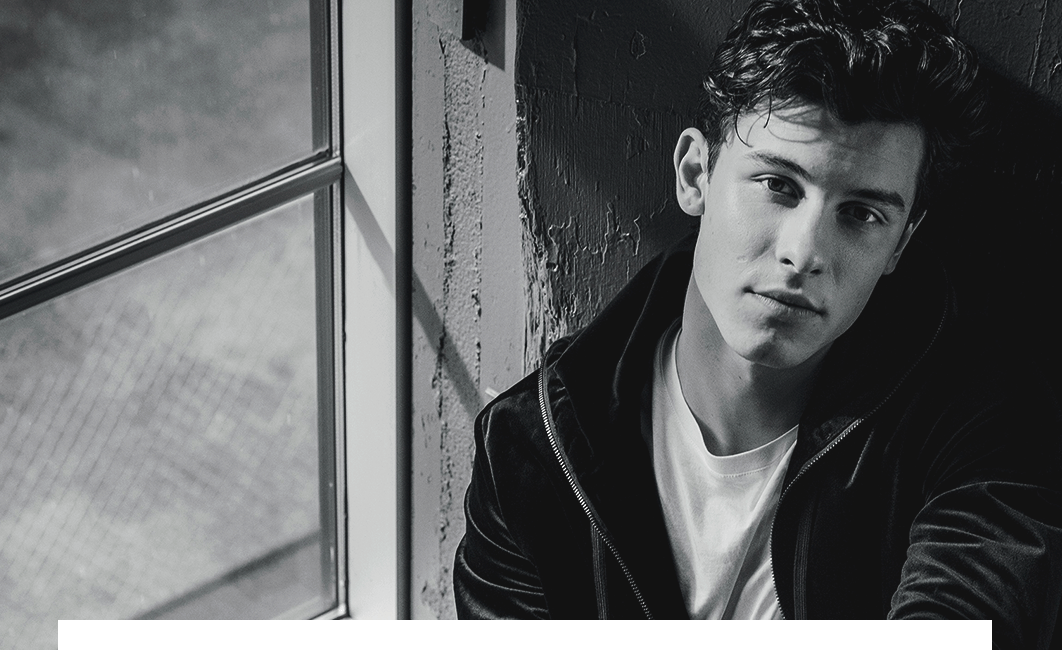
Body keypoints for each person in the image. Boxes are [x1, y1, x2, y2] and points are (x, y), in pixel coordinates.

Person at [452, 0, 1062, 642]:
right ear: (696, 175)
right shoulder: (530, 451)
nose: (805, 252)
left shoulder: (982, 429)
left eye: (862, 214)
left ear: (899, 247)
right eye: (778, 185)